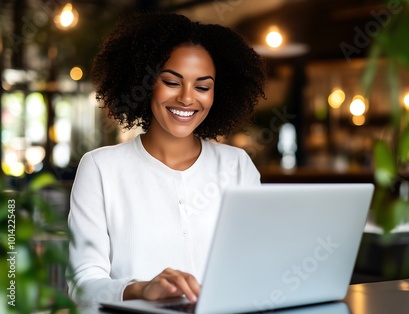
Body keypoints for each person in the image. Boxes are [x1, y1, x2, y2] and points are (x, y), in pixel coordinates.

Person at [66, 12, 266, 307]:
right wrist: (142, 289)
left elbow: (260, 265)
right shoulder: (101, 169)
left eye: (202, 86)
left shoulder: (237, 166)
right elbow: (82, 286)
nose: (187, 98)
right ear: (146, 83)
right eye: (172, 82)